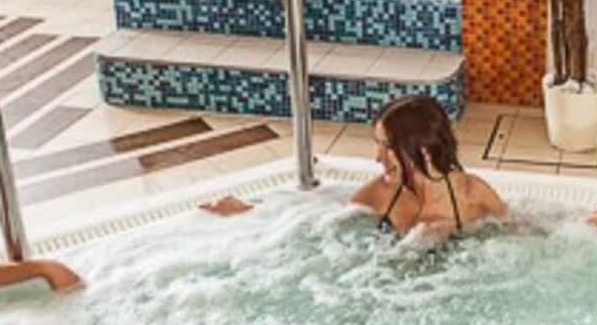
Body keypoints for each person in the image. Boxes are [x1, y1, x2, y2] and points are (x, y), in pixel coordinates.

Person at [202, 94, 506, 236]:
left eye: (388, 147)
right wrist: (250, 212)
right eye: (378, 144)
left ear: (424, 149)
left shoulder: (472, 194)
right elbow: (316, 224)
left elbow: (517, 233)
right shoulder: (381, 193)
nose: (378, 157)